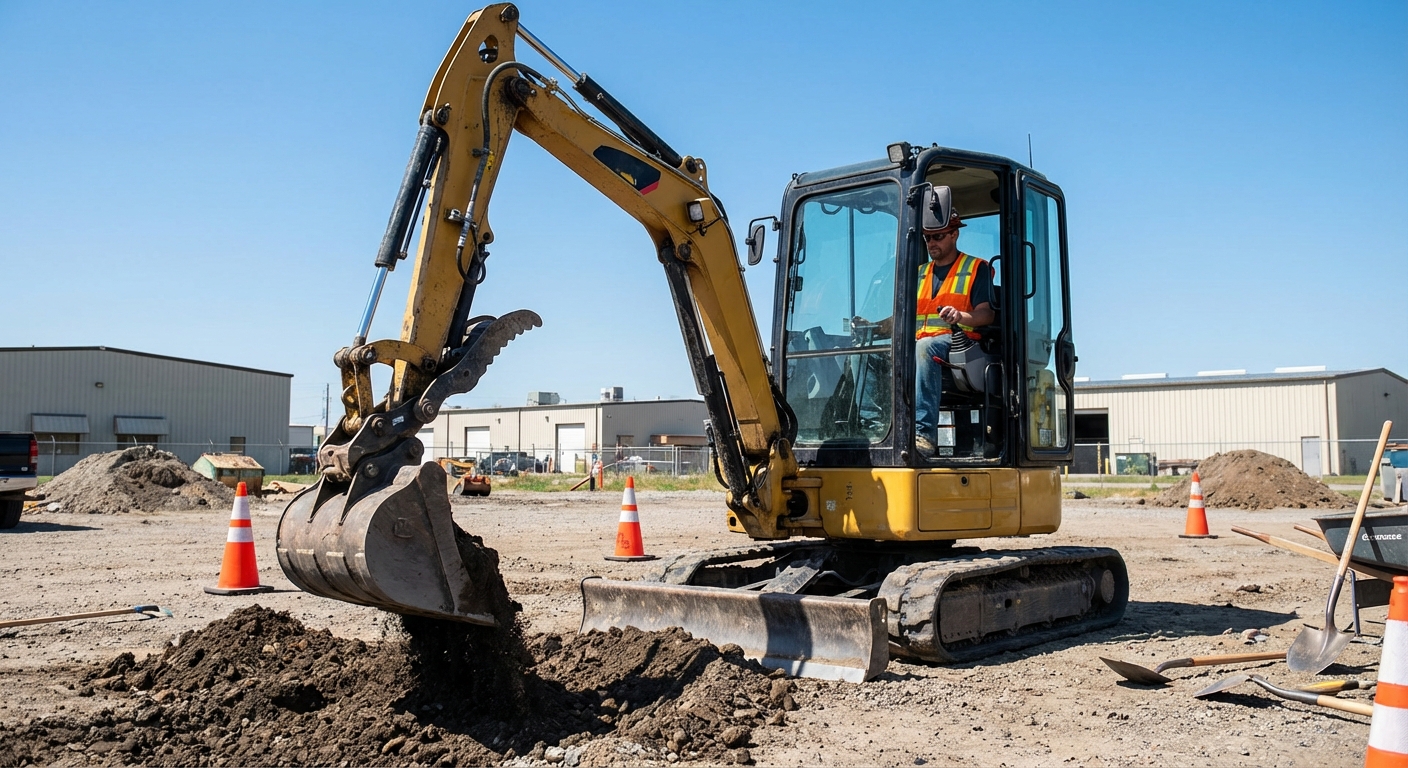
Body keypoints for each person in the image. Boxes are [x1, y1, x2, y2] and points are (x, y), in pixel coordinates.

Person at [912, 186, 994, 457]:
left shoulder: (976, 268)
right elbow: (907, 313)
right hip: (921, 342)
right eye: (927, 238)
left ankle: (923, 434)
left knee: (925, 348)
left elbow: (986, 314)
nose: (931, 243)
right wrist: (875, 326)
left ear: (954, 234)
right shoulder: (919, 273)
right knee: (874, 353)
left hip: (961, 344)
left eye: (937, 237)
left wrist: (960, 316)